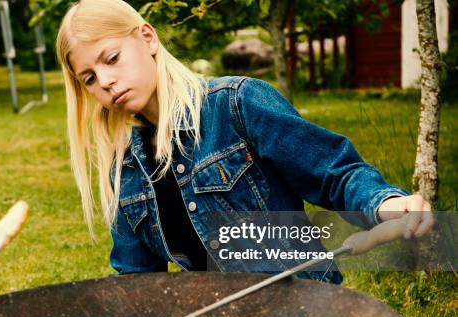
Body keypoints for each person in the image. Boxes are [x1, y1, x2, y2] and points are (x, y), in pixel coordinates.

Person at [55, 0, 434, 282]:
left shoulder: (238, 104)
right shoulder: (126, 169)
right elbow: (137, 282)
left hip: (304, 312)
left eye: (112, 58)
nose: (104, 81)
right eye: (88, 78)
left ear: (148, 38)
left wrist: (385, 202)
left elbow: (334, 172)